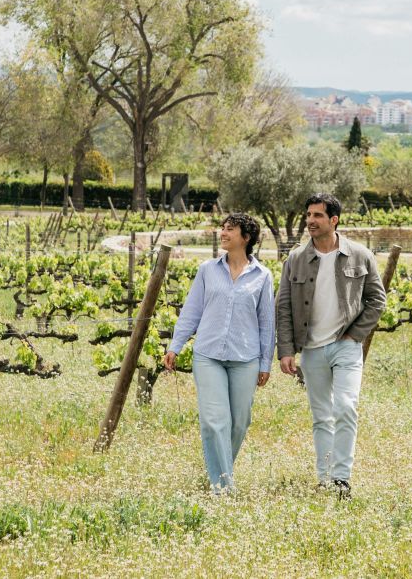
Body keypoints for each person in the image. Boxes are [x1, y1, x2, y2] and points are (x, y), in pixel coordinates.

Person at [277, 193, 386, 499]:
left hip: (345, 346)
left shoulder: (360, 255)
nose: (310, 221)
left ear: (334, 220)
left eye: (317, 216)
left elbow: (377, 300)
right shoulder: (296, 259)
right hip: (311, 350)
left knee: (346, 407)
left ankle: (342, 479)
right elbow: (283, 306)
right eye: (308, 215)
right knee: (321, 415)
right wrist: (286, 349)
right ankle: (325, 479)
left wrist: (355, 335)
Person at [165, 212, 274, 493]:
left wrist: (265, 363)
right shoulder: (207, 270)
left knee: (239, 423)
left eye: (230, 230)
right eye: (223, 229)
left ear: (245, 238)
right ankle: (223, 487)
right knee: (215, 422)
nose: (223, 233)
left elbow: (266, 323)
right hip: (208, 355)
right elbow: (192, 311)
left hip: (245, 358)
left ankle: (220, 470)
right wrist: (175, 345)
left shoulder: (263, 276)